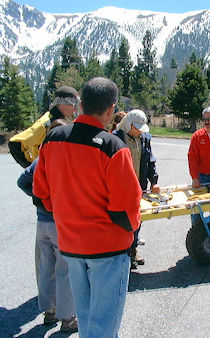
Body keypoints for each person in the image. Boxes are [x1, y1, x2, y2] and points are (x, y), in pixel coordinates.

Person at [33, 77, 142, 337]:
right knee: (103, 329)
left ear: (81, 103)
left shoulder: (53, 140)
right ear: (111, 109)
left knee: (87, 321)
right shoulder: (114, 148)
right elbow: (126, 211)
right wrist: (132, 230)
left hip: (70, 245)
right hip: (108, 249)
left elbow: (40, 194)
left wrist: (66, 213)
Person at [17, 119, 77, 333]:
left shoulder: (41, 157)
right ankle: (68, 318)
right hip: (61, 224)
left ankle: (49, 312)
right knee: (65, 270)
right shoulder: (68, 159)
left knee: (46, 269)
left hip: (42, 223)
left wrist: (39, 200)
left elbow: (22, 182)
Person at [114, 109, 159, 269]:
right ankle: (122, 253)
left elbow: (150, 161)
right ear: (129, 124)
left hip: (139, 186)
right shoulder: (116, 138)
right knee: (121, 221)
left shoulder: (145, 139)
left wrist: (154, 181)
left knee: (136, 220)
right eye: (137, 127)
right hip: (120, 188)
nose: (139, 131)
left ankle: (133, 249)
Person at [8, 86, 80, 168]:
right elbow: (15, 142)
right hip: (42, 172)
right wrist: (31, 168)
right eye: (73, 105)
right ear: (63, 104)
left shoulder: (59, 121)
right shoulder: (46, 122)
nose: (74, 110)